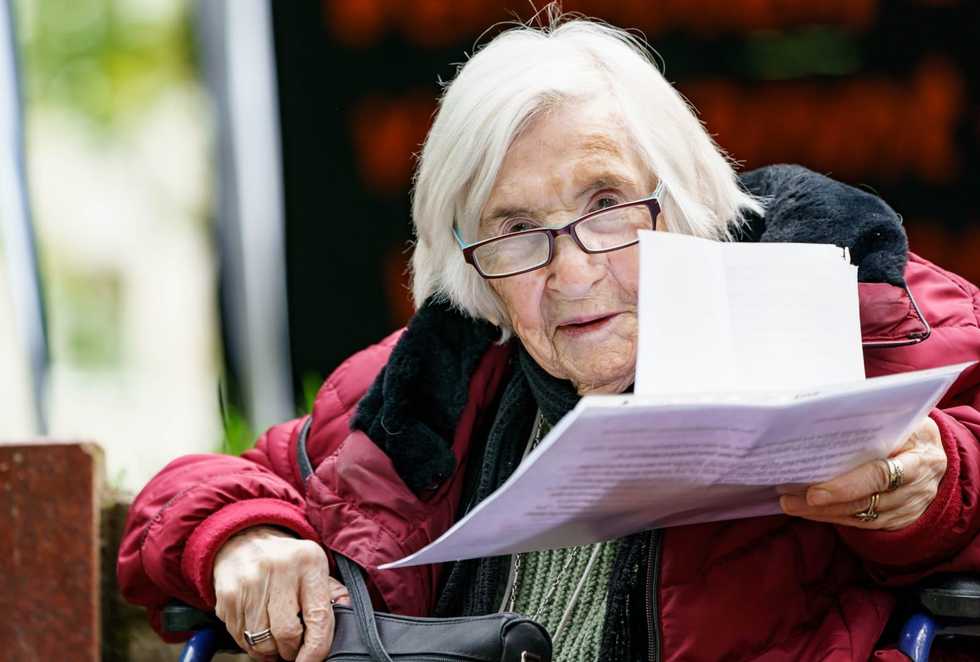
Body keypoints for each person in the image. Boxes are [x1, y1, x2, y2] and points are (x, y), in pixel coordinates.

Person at [117, 15, 980, 662]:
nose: (572, 275)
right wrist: (244, 538)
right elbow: (197, 488)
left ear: (680, 198)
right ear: (469, 265)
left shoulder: (861, 311)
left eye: (606, 205)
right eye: (516, 231)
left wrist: (933, 488)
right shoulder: (427, 387)